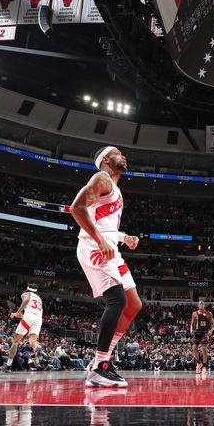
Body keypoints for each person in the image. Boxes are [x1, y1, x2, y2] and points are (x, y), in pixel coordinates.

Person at [71, 146, 143, 388]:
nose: (123, 156)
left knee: (134, 304)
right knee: (117, 300)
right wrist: (101, 241)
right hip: (94, 246)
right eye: (118, 153)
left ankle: (102, 360)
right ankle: (100, 366)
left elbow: (105, 224)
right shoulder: (101, 178)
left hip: (111, 248)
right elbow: (77, 208)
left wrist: (124, 238)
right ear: (105, 160)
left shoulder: (115, 189)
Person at [5, 285, 44, 371]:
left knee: (15, 342)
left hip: (29, 317)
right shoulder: (39, 299)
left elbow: (26, 300)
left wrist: (17, 312)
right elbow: (31, 314)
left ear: (27, 289)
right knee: (32, 341)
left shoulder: (26, 293)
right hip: (38, 319)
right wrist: (20, 315)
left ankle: (8, 366)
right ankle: (37, 348)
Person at [190, 300, 214, 373]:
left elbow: (213, 325)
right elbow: (191, 324)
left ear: (204, 305)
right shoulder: (194, 313)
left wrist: (211, 330)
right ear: (198, 305)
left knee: (204, 349)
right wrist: (191, 329)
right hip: (197, 332)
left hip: (205, 333)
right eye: (200, 304)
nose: (201, 304)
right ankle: (198, 362)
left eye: (202, 303)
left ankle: (204, 366)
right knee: (194, 348)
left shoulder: (208, 313)